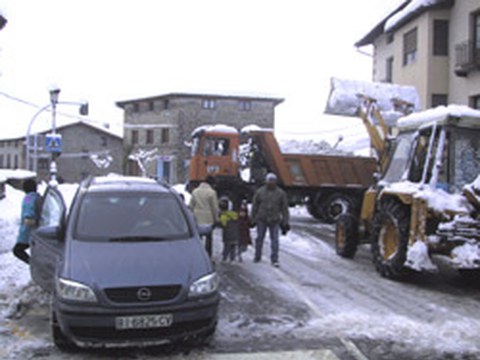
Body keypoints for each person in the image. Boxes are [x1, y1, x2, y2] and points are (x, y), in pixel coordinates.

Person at [251, 173, 289, 267]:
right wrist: (252, 218)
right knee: (259, 238)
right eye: (269, 180)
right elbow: (255, 206)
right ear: (266, 181)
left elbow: (284, 208)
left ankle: (275, 259)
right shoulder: (260, 192)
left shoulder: (280, 193)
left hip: (274, 220)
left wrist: (285, 222)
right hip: (262, 219)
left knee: (275, 240)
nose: (271, 182)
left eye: (273, 180)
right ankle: (257, 256)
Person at [13, 178, 42, 264]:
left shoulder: (28, 198)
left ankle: (33, 264)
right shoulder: (38, 197)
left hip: (28, 233)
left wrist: (25, 230)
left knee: (17, 250)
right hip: (37, 232)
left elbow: (28, 216)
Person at [189, 176, 219, 257]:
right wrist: (216, 219)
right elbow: (214, 208)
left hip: (197, 219)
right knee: (209, 238)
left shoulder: (195, 191)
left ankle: (197, 254)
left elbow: (191, 206)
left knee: (198, 238)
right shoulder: (212, 193)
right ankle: (208, 255)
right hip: (208, 219)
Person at [218, 197, 241, 262]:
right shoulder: (234, 215)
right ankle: (232, 258)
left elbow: (222, 224)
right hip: (235, 235)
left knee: (226, 247)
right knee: (233, 247)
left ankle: (224, 258)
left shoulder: (224, 216)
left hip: (227, 235)